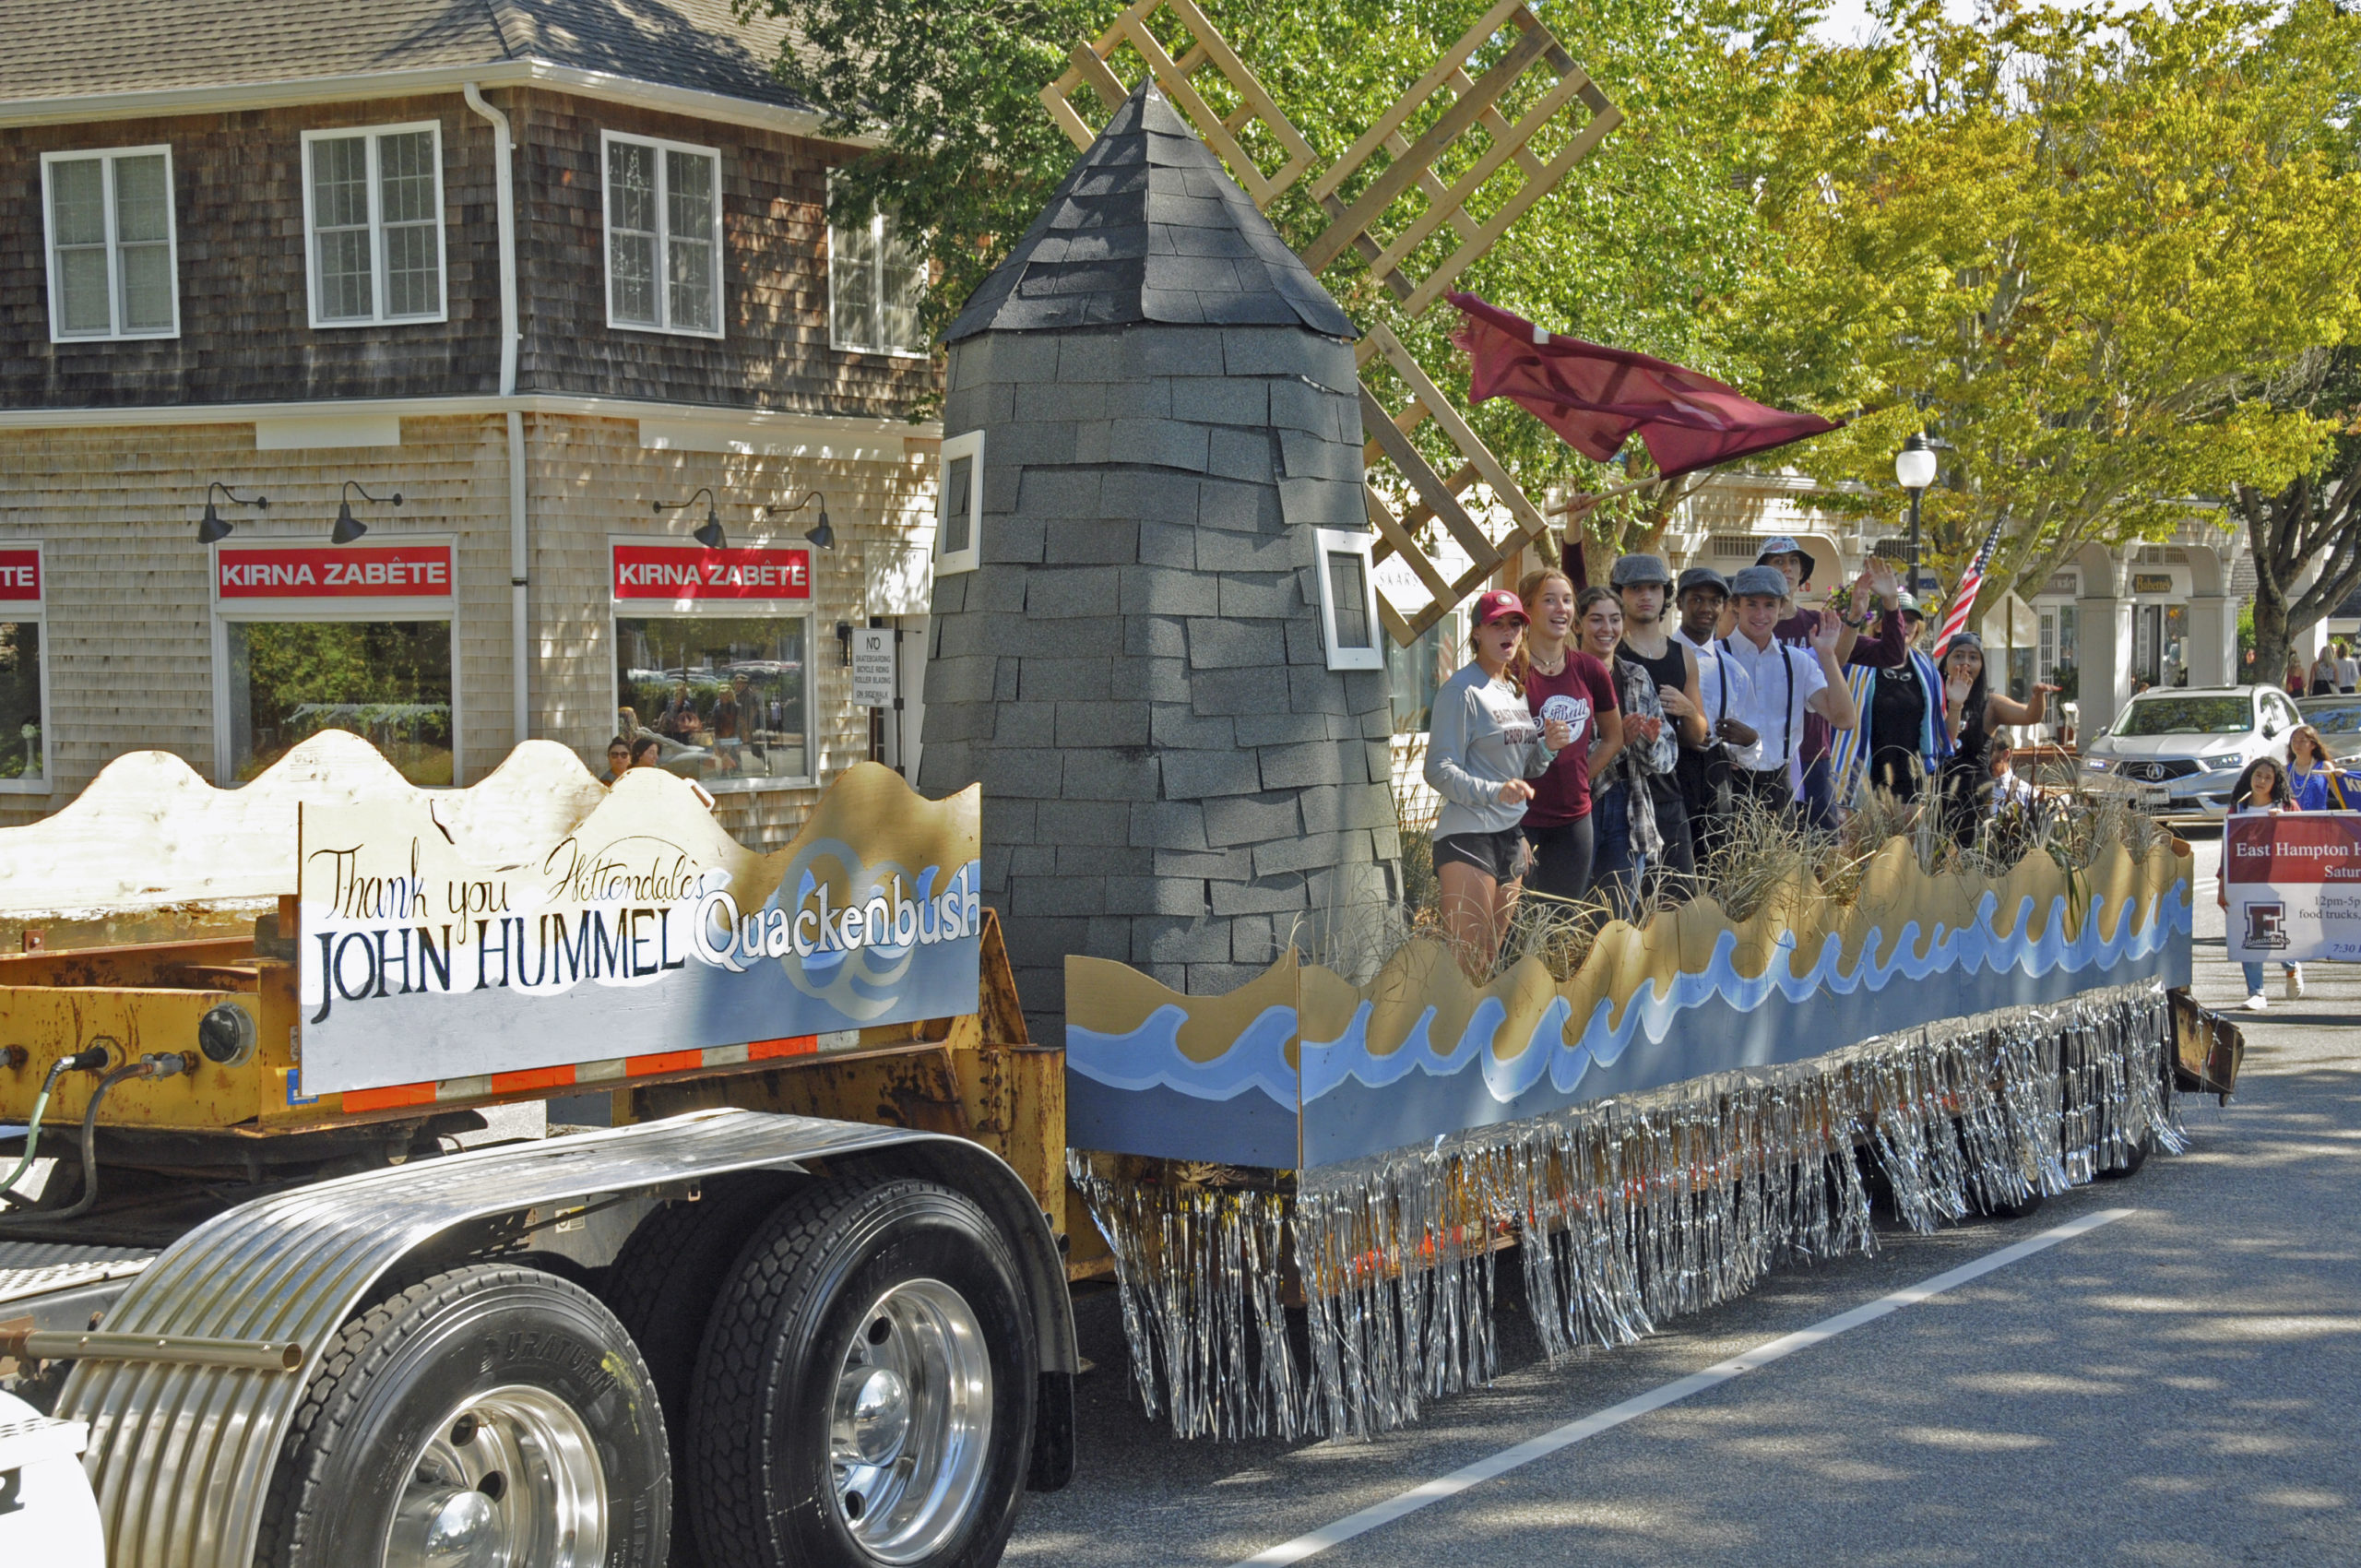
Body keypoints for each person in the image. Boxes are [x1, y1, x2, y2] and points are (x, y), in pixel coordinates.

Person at [1425, 590, 1575, 973]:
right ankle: (1449, 1033)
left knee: (1488, 959)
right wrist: (1497, 792)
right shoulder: (1461, 691)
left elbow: (1521, 772)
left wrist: (1547, 748)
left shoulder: (1512, 689)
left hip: (1509, 835)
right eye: (1497, 625)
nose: (1508, 633)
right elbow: (1438, 769)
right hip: (1468, 837)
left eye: (1515, 625)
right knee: (1463, 962)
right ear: (1476, 632)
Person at [1735, 538, 1904, 829]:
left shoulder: (1820, 625)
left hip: (1812, 759)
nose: (1786, 569)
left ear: (1803, 574)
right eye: (1777, 562)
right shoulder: (1746, 630)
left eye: (1793, 562)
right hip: (1753, 762)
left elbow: (1891, 654)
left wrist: (1890, 603)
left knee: (1819, 856)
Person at [1514, 567, 1622, 904]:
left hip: (1575, 820)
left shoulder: (1590, 669)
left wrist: (1580, 777)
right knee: (1514, 928)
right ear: (1527, 609)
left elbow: (1613, 737)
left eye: (1566, 600)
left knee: (1559, 924)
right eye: (1549, 600)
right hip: (1520, 820)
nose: (1561, 609)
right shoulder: (1510, 672)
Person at [1717, 564, 1858, 814]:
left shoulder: (1797, 662)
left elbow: (1845, 719)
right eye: (1752, 604)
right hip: (1725, 788)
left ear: (1782, 608)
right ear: (1735, 605)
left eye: (1769, 605)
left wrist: (1827, 656)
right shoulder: (1713, 657)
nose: (1761, 613)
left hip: (1779, 791)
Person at [1609, 555, 1707, 895]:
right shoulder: (1610, 650)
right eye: (1635, 588)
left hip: (1670, 796)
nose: (1645, 595)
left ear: (1666, 594)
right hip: (1620, 797)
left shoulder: (1683, 655)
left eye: (1653, 587)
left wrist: (1690, 711)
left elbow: (1698, 736)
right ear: (1619, 594)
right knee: (1624, 910)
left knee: (1680, 906)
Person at [1578, 587, 1676, 916]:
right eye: (1596, 620)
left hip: (1629, 805)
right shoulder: (1566, 677)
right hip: (1580, 806)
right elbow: (1560, 758)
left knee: (1616, 922)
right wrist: (1616, 740)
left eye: (1615, 619)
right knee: (1568, 912)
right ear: (1578, 625)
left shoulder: (1636, 677)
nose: (1607, 629)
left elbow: (1667, 757)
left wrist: (1646, 740)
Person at [1670, 566, 1758, 867]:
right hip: (1669, 773)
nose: (1706, 608)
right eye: (1696, 599)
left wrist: (1749, 741)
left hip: (1715, 776)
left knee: (1716, 863)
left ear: (1725, 607)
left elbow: (1749, 745)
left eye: (1714, 601)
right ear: (1679, 603)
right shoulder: (1659, 656)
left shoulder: (1733, 671)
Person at [1936, 633, 2056, 843]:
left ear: (1981, 665)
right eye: (1958, 656)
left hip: (1973, 795)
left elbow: (2030, 715)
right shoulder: (1932, 696)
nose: (1965, 662)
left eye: (1973, 657)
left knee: (1968, 857)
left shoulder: (1990, 704)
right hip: (1935, 790)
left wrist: (2038, 696)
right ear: (1946, 662)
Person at [1834, 592, 1951, 805]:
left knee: (1907, 840)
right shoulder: (1856, 665)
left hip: (1910, 778)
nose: (1904, 625)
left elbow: (1939, 722)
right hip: (1864, 773)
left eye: (1910, 620)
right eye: (1897, 619)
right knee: (1863, 839)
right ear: (1880, 626)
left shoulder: (1927, 671)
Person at [2218, 755, 2302, 1010]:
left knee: (2276, 931)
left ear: (2275, 782)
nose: (2261, 781)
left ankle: (2291, 965)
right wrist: (2222, 885)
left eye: (2268, 777)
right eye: (2258, 775)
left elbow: (2304, 839)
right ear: (2249, 777)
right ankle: (2257, 993)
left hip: (2278, 881)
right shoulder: (2237, 810)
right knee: (2251, 935)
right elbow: (2227, 849)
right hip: (2246, 880)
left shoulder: (2287, 807)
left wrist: (2284, 823)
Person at [2285, 724, 2349, 810]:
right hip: (2295, 820)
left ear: (2313, 745)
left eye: (2302, 741)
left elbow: (2340, 795)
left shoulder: (2324, 766)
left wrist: (2343, 777)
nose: (2297, 744)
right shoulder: (2287, 769)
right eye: (2294, 741)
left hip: (2320, 819)